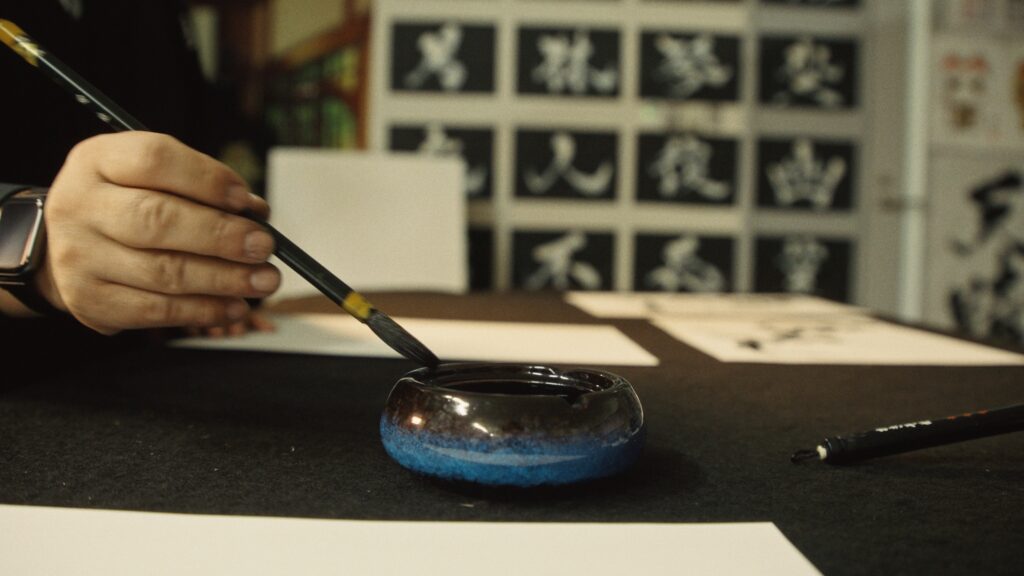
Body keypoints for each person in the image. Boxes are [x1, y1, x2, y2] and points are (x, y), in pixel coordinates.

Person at [0, 1, 279, 336]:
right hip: (25, 364)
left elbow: (190, 140)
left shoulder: (158, 14)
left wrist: (203, 286)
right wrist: (33, 246)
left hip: (162, 349)